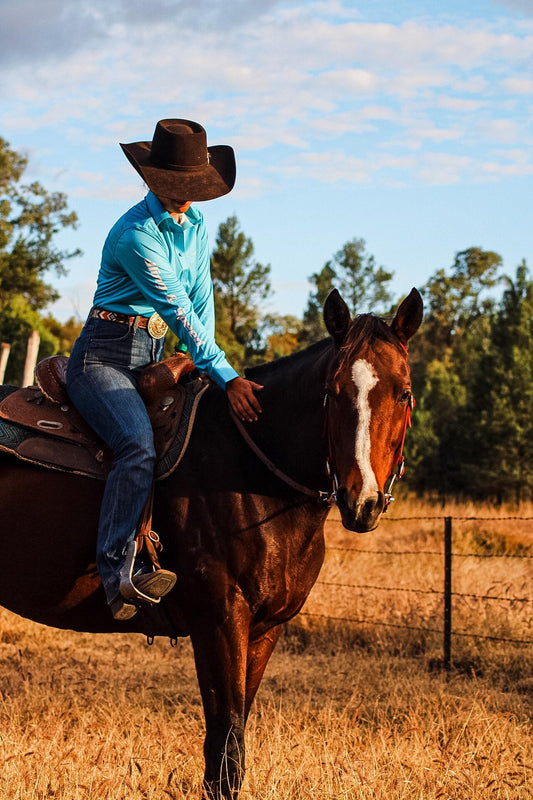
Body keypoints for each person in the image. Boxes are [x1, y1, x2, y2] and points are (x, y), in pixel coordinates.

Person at [66, 119, 263, 621]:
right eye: (176, 187)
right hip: (104, 358)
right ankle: (118, 574)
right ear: (154, 181)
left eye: (191, 188)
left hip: (154, 359)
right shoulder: (135, 235)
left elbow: (202, 299)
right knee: (136, 445)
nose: (184, 198)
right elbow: (177, 309)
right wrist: (226, 375)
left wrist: (206, 364)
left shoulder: (195, 226)